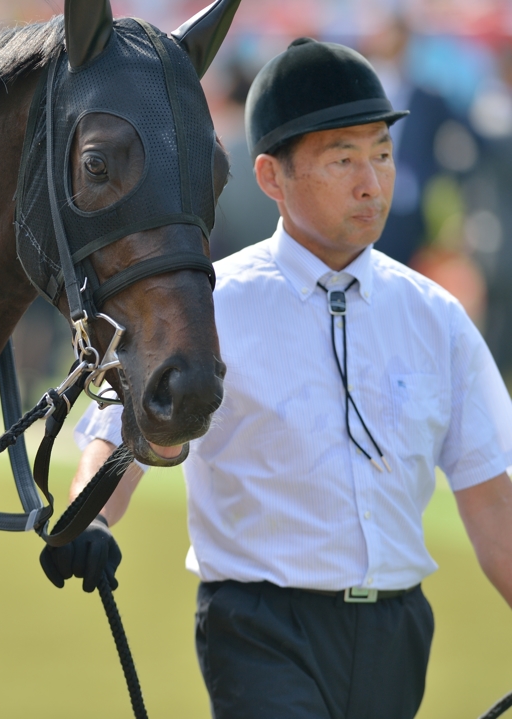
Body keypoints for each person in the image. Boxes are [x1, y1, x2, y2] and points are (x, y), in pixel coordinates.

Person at [40, 37, 512, 719]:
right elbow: (119, 437)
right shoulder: (209, 304)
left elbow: (494, 505)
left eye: (381, 153)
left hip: (398, 632)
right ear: (271, 176)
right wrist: (92, 519)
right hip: (258, 628)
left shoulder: (438, 316)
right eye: (342, 158)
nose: (371, 182)